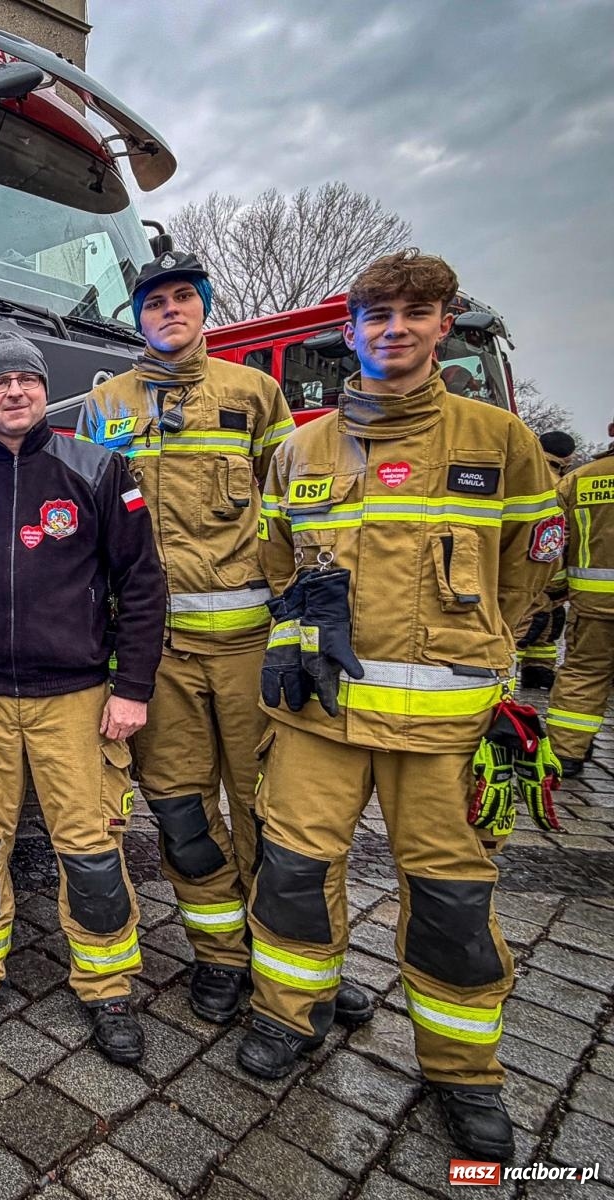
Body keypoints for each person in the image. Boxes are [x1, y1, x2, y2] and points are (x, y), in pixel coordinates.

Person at [241, 252, 560, 1162]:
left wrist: (478, 649)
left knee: (453, 902)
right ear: (350, 331)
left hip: (443, 731)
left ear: (442, 324)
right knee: (296, 872)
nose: (394, 329)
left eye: (415, 313)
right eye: (376, 314)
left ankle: (464, 1073)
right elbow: (277, 562)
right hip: (320, 719)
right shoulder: (301, 447)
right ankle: (287, 1015)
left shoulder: (499, 441)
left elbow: (528, 571)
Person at [77, 253, 377, 1030]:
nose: (169, 310)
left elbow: (291, 521)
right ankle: (220, 955)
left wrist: (299, 630)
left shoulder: (255, 392)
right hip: (153, 657)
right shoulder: (103, 405)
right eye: (154, 301)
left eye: (184, 298)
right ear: (136, 315)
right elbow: (87, 528)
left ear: (204, 308)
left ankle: (293, 958)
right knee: (179, 811)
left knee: (270, 812)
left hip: (250, 648)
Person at [0, 331, 166, 1059]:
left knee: (89, 850)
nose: (14, 392)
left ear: (43, 392)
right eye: (0, 384)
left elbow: (142, 586)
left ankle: (108, 986)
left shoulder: (97, 469)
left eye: (26, 380)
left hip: (78, 699)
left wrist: (134, 688)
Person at [545, 424, 614, 776]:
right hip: (591, 603)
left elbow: (552, 541)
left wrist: (554, 589)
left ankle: (566, 752)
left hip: (593, 605)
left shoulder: (579, 480)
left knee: (585, 673)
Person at [514, 430, 577, 690]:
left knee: (543, 622)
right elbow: (558, 534)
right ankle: (510, 675)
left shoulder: (522, 469)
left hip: (520, 563)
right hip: (543, 567)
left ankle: (537, 670)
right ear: (567, 457)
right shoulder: (561, 482)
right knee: (530, 622)